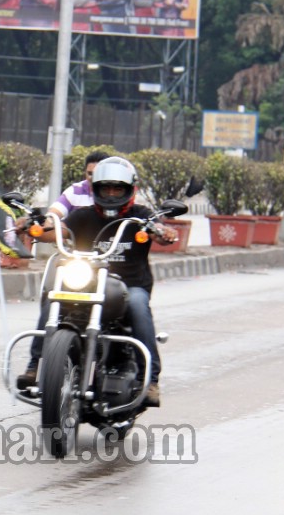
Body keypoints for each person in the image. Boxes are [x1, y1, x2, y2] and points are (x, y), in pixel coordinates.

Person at [19, 157, 176, 406]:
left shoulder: (140, 217)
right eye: (105, 188)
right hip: (86, 283)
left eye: (118, 188)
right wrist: (34, 228)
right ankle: (35, 366)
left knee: (137, 305)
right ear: (96, 189)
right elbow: (57, 231)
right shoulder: (83, 216)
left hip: (129, 286)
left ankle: (151, 378)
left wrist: (164, 232)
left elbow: (160, 231)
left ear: (129, 189)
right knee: (53, 296)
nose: (111, 194)